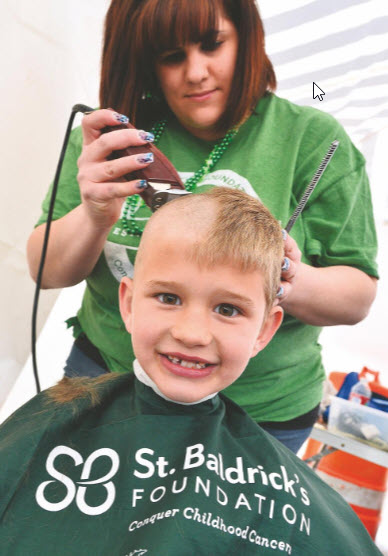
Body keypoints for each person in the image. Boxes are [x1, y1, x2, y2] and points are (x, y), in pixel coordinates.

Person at [26, 0, 378, 453]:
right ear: (146, 62)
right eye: (171, 57)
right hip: (108, 384)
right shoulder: (114, 139)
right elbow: (45, 270)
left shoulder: (314, 140)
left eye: (212, 45)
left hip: (258, 414)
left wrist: (287, 277)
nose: (195, 73)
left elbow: (357, 294)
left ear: (247, 36)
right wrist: (95, 213)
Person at [1, 189, 382, 555]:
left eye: (228, 309)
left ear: (265, 330)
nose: (191, 334)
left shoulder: (284, 489)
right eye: (168, 298)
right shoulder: (53, 422)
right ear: (129, 304)